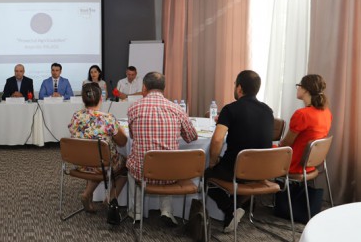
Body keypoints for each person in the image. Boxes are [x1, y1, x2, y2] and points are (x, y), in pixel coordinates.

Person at [205, 70, 274, 232]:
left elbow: (217, 139)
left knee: (206, 175)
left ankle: (230, 208)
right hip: (262, 170)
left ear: (239, 88)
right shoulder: (268, 111)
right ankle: (237, 208)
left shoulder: (230, 109)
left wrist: (213, 162)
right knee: (243, 178)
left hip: (237, 169)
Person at [127, 72, 197, 226]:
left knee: (132, 162)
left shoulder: (134, 108)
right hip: (170, 174)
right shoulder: (177, 109)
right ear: (164, 88)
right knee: (168, 161)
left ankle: (137, 212)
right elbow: (191, 137)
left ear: (144, 87)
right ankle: (166, 211)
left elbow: (132, 136)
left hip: (143, 172)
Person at [68, 83, 128, 223]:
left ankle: (87, 194)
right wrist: (120, 130)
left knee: (98, 160)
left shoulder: (76, 116)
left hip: (81, 163)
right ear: (101, 98)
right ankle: (111, 199)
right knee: (127, 165)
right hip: (103, 165)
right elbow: (122, 142)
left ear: (83, 100)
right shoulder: (108, 118)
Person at [279, 74, 332, 174]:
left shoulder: (302, 114)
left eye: (299, 86)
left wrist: (277, 145)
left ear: (306, 90)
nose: (298, 88)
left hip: (294, 164)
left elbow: (286, 144)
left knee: (261, 153)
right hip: (309, 165)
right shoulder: (326, 113)